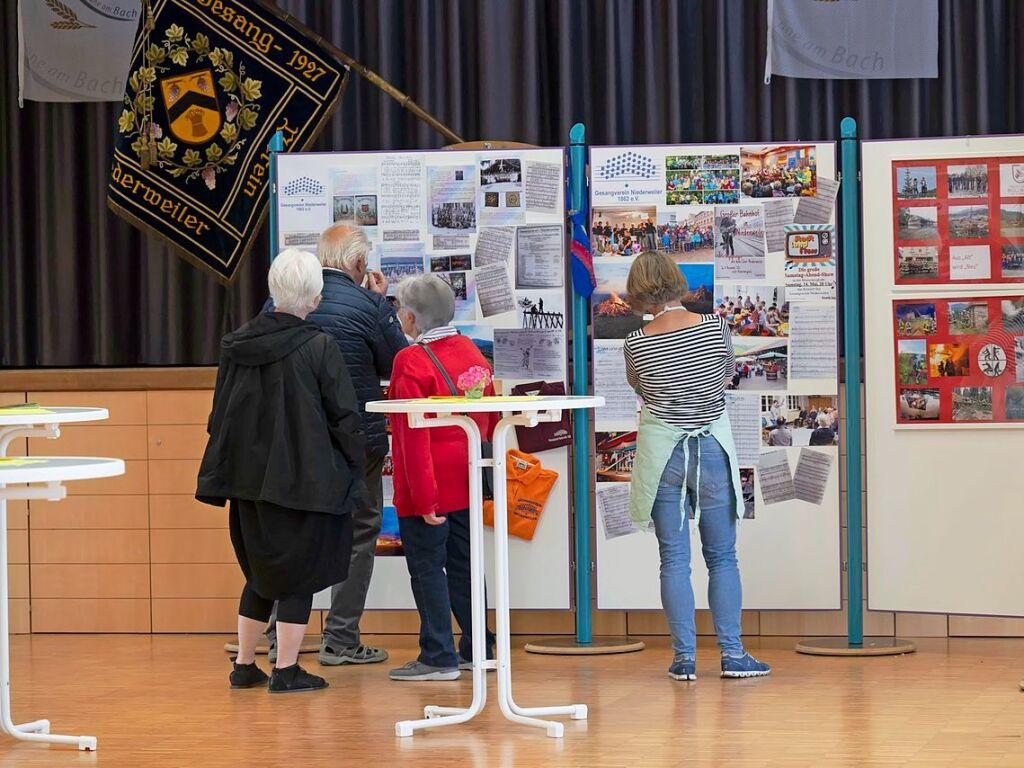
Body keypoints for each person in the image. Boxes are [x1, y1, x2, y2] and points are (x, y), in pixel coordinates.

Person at [197, 250, 365, 693]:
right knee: (299, 574)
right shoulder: (318, 345)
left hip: (247, 482)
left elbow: (219, 416)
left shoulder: (235, 344)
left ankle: (246, 665)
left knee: (261, 572)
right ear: (315, 296)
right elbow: (343, 415)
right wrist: (356, 465)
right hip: (304, 481)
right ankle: (286, 670)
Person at [262, 224, 407, 668]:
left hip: (292, 442)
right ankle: (341, 639)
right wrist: (383, 304)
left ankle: (277, 639)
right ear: (360, 264)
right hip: (356, 439)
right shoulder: (368, 304)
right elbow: (398, 360)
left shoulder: (276, 303)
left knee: (294, 532)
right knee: (360, 532)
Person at [622, 251, 770, 682]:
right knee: (723, 557)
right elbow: (725, 376)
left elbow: (640, 388)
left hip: (662, 452)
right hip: (710, 448)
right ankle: (733, 655)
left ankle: (684, 659)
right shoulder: (714, 327)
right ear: (676, 281)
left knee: (673, 560)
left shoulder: (634, 342)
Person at [387, 274, 497, 681]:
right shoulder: (471, 350)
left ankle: (438, 654)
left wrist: (424, 497)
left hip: (428, 480)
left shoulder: (410, 361)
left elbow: (410, 434)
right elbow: (485, 419)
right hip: (467, 475)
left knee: (427, 567)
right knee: (467, 563)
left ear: (412, 318)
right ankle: (477, 647)